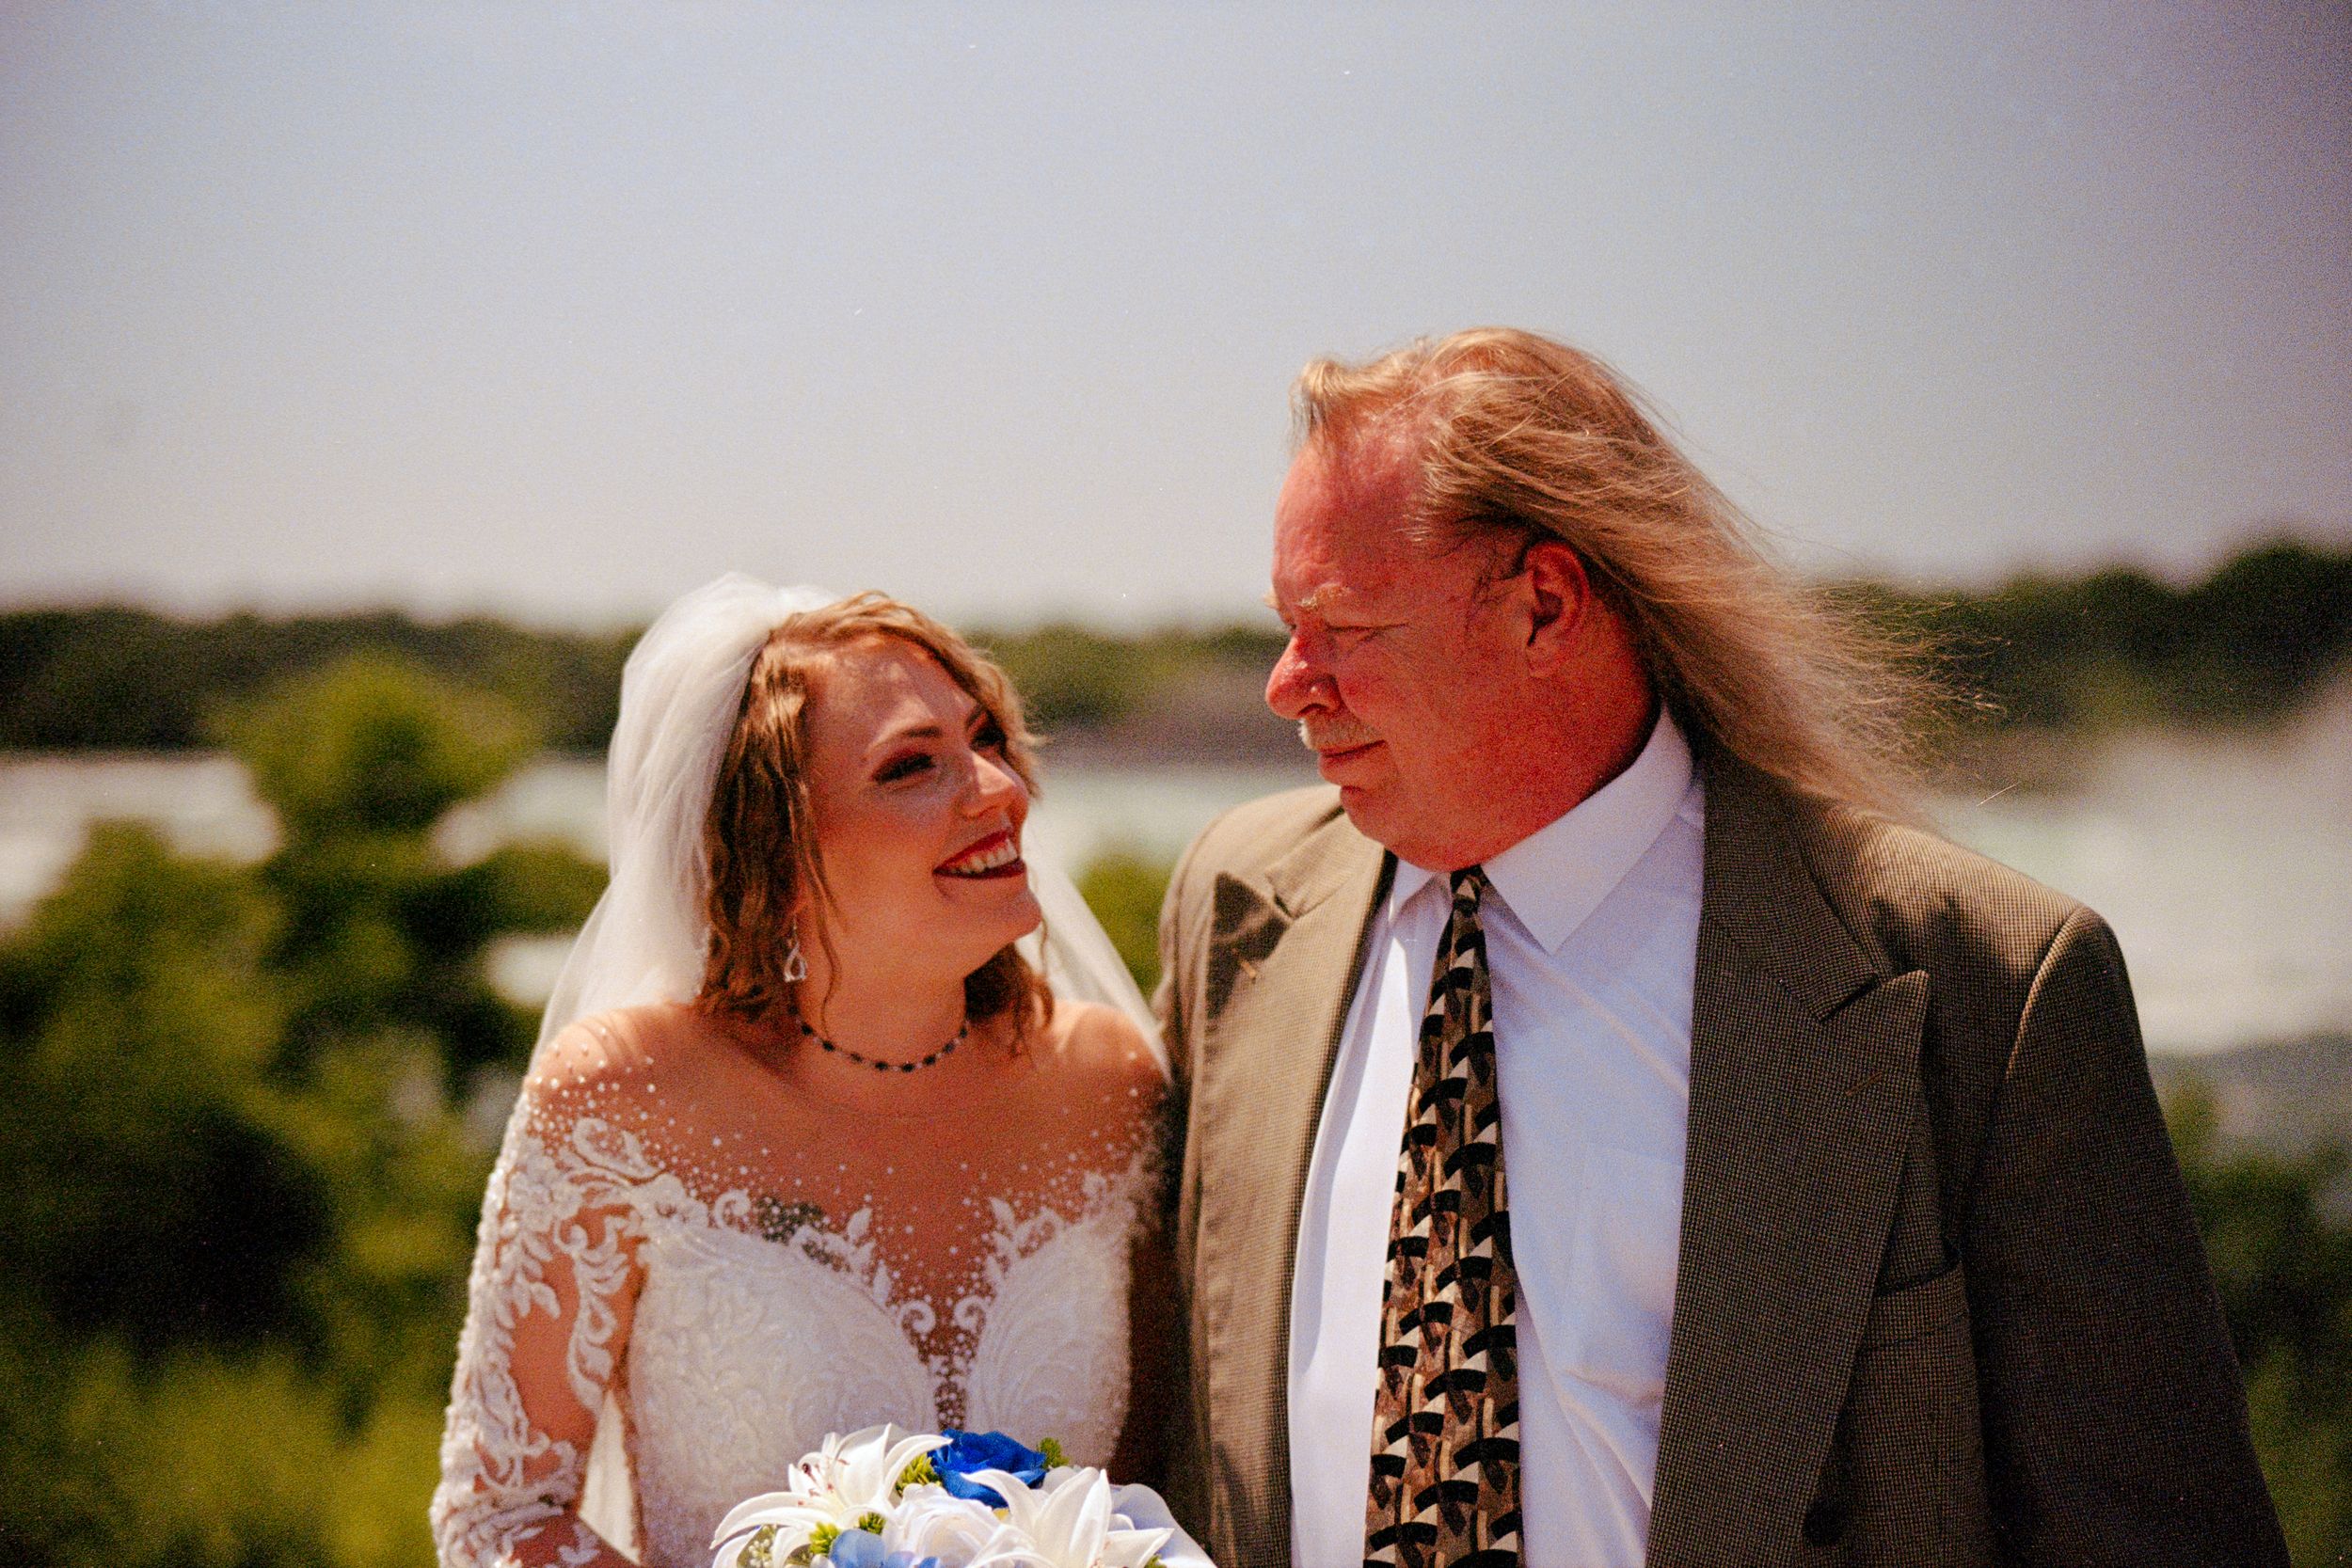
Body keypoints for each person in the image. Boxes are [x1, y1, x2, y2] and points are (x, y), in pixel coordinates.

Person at [1153, 329, 2285, 1567]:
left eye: (1341, 623)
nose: (1286, 682)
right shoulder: (1235, 907)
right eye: (1285, 622)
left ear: (1546, 603)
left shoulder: (1987, 985)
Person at [433, 579, 1175, 1568]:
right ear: (771, 847)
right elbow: (500, 1516)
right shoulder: (623, 1101)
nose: (999, 789)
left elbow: (1159, 1474)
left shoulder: (1108, 1085)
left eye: (987, 738)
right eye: (912, 765)